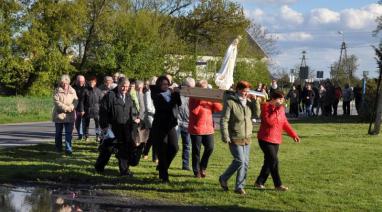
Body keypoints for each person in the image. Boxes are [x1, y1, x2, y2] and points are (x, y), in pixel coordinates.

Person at [255, 90, 300, 192]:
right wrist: (278, 109)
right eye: (280, 99)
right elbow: (269, 122)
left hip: (276, 139)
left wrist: (294, 135)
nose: (282, 101)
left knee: (268, 162)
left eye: (283, 99)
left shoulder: (281, 109)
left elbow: (285, 123)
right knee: (274, 161)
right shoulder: (266, 107)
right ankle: (278, 185)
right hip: (265, 139)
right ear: (274, 99)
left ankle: (259, 182)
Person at [219, 81, 258, 195]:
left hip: (247, 136)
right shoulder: (230, 102)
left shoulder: (249, 102)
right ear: (239, 90)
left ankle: (239, 187)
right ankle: (223, 178)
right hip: (235, 136)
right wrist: (225, 135)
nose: (246, 93)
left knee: (245, 163)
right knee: (239, 160)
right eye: (244, 91)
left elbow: (257, 114)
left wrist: (255, 101)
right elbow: (224, 120)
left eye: (248, 91)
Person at [97, 77, 140, 176]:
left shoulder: (128, 97)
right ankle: (99, 166)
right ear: (118, 85)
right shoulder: (110, 96)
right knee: (107, 149)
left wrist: (135, 119)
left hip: (125, 128)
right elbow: (103, 112)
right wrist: (105, 126)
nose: (125, 89)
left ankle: (124, 171)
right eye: (123, 86)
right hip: (112, 128)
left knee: (124, 149)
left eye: (127, 87)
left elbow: (132, 111)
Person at [150, 75, 181, 183]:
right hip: (159, 126)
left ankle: (163, 167)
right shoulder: (155, 94)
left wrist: (176, 94)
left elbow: (179, 103)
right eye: (164, 84)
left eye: (167, 84)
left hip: (170, 125)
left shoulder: (170, 93)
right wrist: (174, 95)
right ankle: (164, 177)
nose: (166, 86)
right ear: (159, 84)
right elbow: (165, 107)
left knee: (174, 147)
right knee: (162, 150)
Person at [188, 80, 222, 178]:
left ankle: (203, 166)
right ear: (198, 89)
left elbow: (219, 108)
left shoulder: (209, 98)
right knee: (196, 151)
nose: (205, 91)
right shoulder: (193, 98)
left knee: (210, 148)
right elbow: (194, 111)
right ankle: (196, 171)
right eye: (203, 89)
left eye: (206, 88)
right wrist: (200, 99)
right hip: (196, 128)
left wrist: (213, 99)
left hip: (208, 128)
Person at [52, 74, 78, 155]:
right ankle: (58, 148)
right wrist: (67, 108)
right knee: (58, 133)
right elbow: (56, 102)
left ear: (68, 82)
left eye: (66, 83)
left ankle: (68, 149)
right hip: (59, 115)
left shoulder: (73, 90)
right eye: (63, 83)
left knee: (68, 134)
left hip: (70, 115)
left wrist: (72, 107)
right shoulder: (57, 91)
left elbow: (76, 101)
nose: (64, 84)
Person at [178, 77, 196, 171]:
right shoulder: (178, 94)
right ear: (184, 86)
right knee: (172, 145)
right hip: (177, 122)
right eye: (190, 87)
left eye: (193, 87)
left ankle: (185, 165)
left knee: (187, 145)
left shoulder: (194, 96)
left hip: (187, 123)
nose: (191, 89)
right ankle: (164, 163)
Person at [80, 76, 102, 142]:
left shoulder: (98, 90)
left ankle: (98, 136)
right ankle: (86, 136)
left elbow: (101, 101)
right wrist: (82, 110)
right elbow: (81, 101)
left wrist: (101, 110)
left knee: (97, 124)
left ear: (95, 82)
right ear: (88, 82)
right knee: (86, 124)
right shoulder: (85, 90)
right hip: (87, 109)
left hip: (96, 110)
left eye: (93, 82)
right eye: (90, 82)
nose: (91, 83)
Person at [142, 76, 158, 163]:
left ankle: (145, 152)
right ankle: (155, 157)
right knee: (155, 136)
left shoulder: (157, 92)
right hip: (150, 116)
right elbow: (148, 107)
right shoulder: (148, 92)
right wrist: (156, 112)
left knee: (152, 137)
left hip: (156, 116)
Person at [73, 75, 87, 140]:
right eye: (79, 81)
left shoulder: (87, 88)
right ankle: (80, 134)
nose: (81, 82)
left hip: (85, 107)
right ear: (76, 81)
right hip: (76, 107)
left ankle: (84, 135)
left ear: (84, 81)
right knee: (77, 122)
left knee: (84, 122)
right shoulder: (73, 88)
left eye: (82, 81)